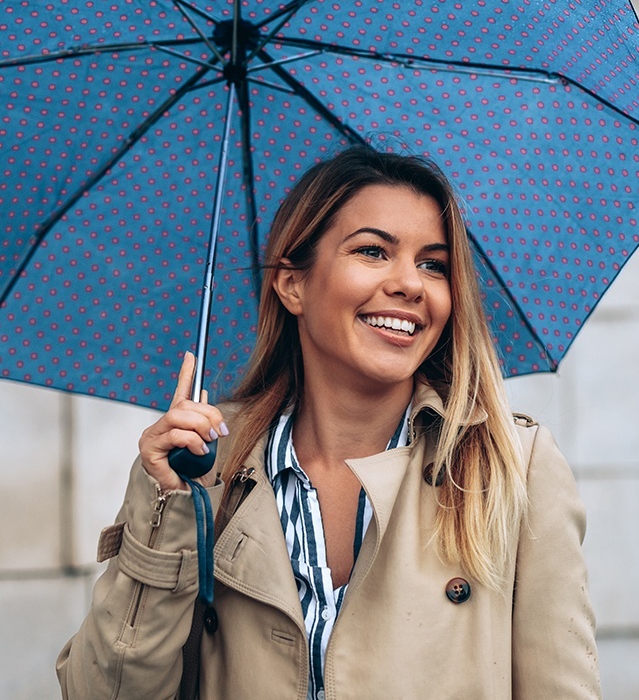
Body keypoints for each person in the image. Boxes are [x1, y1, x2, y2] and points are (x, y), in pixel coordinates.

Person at [57, 146, 601, 699]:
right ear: (292, 284)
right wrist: (166, 507)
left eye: (433, 263)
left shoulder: (513, 467)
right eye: (373, 251)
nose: (411, 284)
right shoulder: (205, 471)